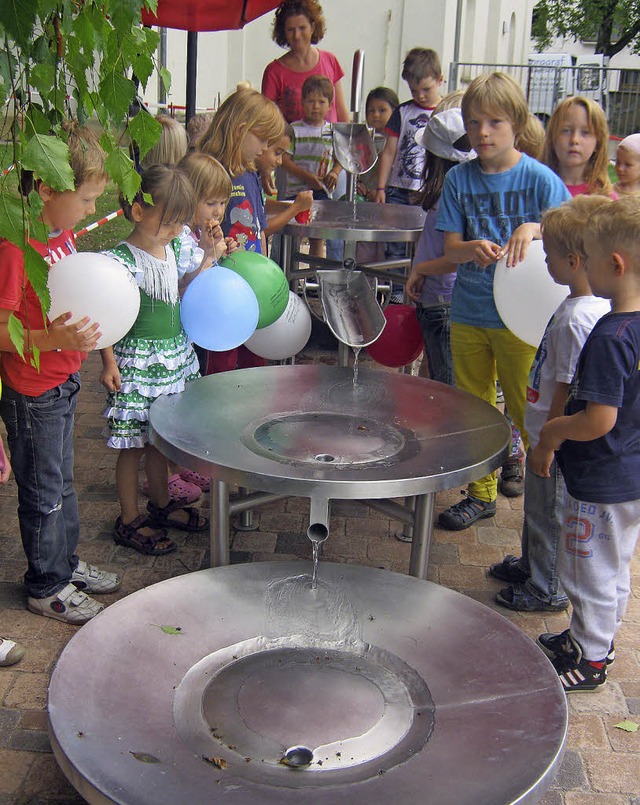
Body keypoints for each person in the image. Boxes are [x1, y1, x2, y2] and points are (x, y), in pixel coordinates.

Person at [435, 72, 570, 530]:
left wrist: (533, 228)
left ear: (516, 122)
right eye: (474, 124)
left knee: (527, 409)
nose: (483, 133)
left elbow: (570, 230)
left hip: (525, 322)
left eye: (494, 121)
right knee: (472, 408)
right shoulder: (458, 178)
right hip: (470, 310)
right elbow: (450, 247)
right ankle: (481, 493)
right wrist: (468, 250)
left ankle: (546, 505)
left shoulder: (540, 178)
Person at [0, 123, 120, 624]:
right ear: (48, 188)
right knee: (44, 490)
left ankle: (64, 564)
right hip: (33, 393)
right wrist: (52, 341)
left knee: (63, 482)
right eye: (88, 198)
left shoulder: (60, 235)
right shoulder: (14, 248)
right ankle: (46, 583)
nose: (93, 210)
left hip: (62, 383)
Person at [530, 194, 640, 692]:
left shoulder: (610, 334)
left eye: (590, 259)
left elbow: (597, 419)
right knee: (614, 566)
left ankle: (592, 660)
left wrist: (553, 434)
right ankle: (591, 637)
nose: (585, 267)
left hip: (599, 478)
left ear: (614, 264)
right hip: (629, 473)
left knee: (589, 571)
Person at [490, 196, 610, 612]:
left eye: (550, 255)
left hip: (554, 439)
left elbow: (569, 386)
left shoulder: (580, 318)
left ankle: (548, 586)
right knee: (536, 507)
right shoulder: (574, 305)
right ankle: (531, 565)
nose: (544, 263)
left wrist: (548, 440)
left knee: (550, 513)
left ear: (574, 260)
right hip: (543, 432)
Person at [100, 165, 210, 556]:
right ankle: (129, 518)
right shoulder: (119, 261)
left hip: (174, 358)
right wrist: (109, 362)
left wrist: (209, 256)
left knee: (160, 441)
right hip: (136, 364)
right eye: (169, 222)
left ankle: (161, 505)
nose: (177, 230)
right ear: (137, 212)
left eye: (182, 222)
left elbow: (189, 288)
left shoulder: (177, 248)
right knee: (131, 445)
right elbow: (105, 314)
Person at [199, 88, 285, 373]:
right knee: (222, 360)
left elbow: (259, 228)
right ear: (240, 131)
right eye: (262, 139)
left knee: (255, 362)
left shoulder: (250, 173)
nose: (265, 147)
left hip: (254, 286)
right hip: (224, 288)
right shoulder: (212, 171)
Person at [405, 93, 471, 388]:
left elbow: (453, 256)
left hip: (443, 301)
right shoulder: (447, 194)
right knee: (436, 375)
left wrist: (421, 270)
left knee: (446, 385)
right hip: (434, 299)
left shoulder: (452, 198)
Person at [374, 48, 443, 301]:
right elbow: (389, 152)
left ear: (440, 80)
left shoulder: (445, 112)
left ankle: (424, 295)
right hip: (399, 190)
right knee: (395, 247)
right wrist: (381, 188)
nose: (420, 96)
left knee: (428, 245)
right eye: (414, 91)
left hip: (430, 192)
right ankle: (395, 295)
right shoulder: (402, 113)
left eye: (426, 89)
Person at [281, 75, 342, 260]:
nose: (315, 106)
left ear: (330, 105)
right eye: (310, 101)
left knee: (317, 237)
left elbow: (342, 159)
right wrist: (307, 177)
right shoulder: (295, 129)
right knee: (293, 236)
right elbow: (285, 160)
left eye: (321, 102)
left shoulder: (333, 132)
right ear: (302, 102)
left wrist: (334, 172)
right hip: (296, 191)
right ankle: (291, 276)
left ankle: (314, 277)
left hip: (322, 192)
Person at [261, 0, 349, 125]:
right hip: (290, 143)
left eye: (302, 28)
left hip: (330, 142)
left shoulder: (330, 61)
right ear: (283, 32)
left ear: (312, 27)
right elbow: (267, 120)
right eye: (291, 29)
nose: (297, 35)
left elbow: (341, 113)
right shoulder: (273, 72)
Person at [542, 97, 614, 197]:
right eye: (566, 130)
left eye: (585, 133)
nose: (574, 140)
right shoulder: (537, 188)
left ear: (598, 143)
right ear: (552, 137)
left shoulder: (605, 197)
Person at [254, 126, 313, 242]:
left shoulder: (253, 177)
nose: (280, 161)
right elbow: (259, 232)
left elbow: (260, 206)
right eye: (277, 153)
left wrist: (289, 207)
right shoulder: (243, 180)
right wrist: (295, 209)